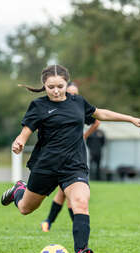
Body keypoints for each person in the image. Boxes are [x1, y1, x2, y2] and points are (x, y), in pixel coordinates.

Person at [0, 64, 140, 253]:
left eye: (60, 86)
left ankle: (81, 252)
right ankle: (19, 189)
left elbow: (100, 114)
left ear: (66, 83)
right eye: (51, 86)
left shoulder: (77, 102)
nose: (56, 90)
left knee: (80, 202)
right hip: (46, 166)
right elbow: (26, 131)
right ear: (44, 85)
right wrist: (19, 142)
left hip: (74, 166)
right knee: (26, 208)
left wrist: (131, 119)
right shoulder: (39, 106)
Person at [41, 81, 100, 232]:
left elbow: (96, 121)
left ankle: (49, 222)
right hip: (60, 156)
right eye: (71, 92)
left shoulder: (79, 108)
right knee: (66, 193)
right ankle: (75, 226)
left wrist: (84, 136)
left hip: (76, 155)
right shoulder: (55, 108)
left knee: (65, 193)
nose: (73, 95)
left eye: (76, 93)